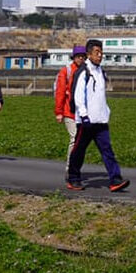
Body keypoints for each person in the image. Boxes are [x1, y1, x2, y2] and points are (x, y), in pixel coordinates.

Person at [66, 39, 130, 192]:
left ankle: (115, 179)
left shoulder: (100, 71)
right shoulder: (83, 71)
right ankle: (73, 177)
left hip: (100, 120)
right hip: (86, 121)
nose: (100, 56)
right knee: (79, 150)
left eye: (101, 53)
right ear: (88, 54)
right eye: (97, 53)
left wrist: (106, 111)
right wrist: (83, 115)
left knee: (107, 150)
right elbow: (78, 95)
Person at [54, 45, 87, 179]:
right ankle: (70, 168)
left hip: (82, 112)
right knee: (74, 138)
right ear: (73, 57)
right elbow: (60, 92)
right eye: (79, 56)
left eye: (83, 56)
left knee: (80, 141)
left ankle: (75, 167)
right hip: (69, 111)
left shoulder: (87, 71)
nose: (81, 59)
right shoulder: (66, 71)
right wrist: (59, 112)